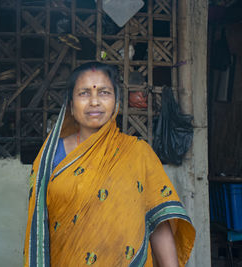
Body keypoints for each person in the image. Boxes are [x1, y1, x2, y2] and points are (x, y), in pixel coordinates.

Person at [24, 62, 195, 266]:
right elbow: (39, 227)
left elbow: (157, 222)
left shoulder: (138, 153)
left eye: (104, 92)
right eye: (84, 93)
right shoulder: (50, 157)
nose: (94, 101)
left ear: (117, 101)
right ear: (70, 104)